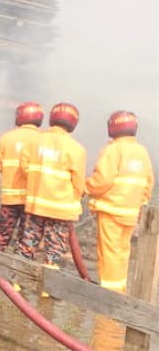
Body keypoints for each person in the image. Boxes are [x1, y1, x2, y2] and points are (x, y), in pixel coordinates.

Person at [16, 102, 86, 295]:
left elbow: (24, 168)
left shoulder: (35, 141)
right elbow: (79, 183)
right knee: (54, 249)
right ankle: (47, 290)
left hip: (35, 204)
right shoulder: (76, 149)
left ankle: (17, 281)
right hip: (60, 209)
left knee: (28, 242)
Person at [86, 110, 154, 293]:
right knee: (123, 252)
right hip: (131, 213)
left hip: (111, 210)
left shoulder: (112, 150)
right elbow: (148, 182)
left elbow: (102, 181)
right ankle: (120, 287)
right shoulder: (141, 151)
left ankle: (110, 294)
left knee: (109, 254)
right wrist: (140, 203)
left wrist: (86, 187)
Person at [0, 102, 44, 253]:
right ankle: (19, 275)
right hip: (32, 201)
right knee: (27, 241)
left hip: (10, 199)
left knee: (1, 236)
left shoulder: (7, 138)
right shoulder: (44, 140)